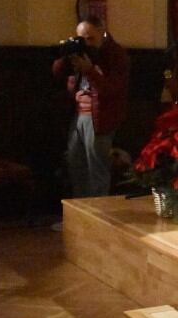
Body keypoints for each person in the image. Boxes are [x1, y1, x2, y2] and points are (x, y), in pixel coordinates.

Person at [52, 14, 129, 197]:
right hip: (78, 115)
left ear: (103, 33)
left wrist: (89, 70)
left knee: (97, 169)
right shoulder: (80, 52)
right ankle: (80, 215)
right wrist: (66, 54)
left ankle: (97, 217)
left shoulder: (116, 54)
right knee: (75, 164)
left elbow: (110, 90)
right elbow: (57, 73)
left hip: (100, 118)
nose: (86, 43)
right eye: (81, 39)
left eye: (90, 38)